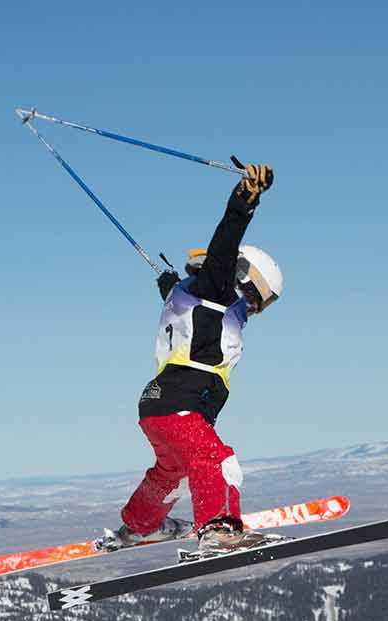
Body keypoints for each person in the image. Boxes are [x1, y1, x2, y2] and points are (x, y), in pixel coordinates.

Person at [101, 163, 284, 555]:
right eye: (256, 297)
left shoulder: (191, 294)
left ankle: (141, 525)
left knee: (170, 470)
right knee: (217, 460)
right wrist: (246, 198)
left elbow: (181, 296)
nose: (253, 308)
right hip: (181, 407)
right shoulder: (216, 288)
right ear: (242, 277)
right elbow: (224, 243)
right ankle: (219, 529)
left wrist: (169, 282)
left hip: (157, 408)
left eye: (261, 305)